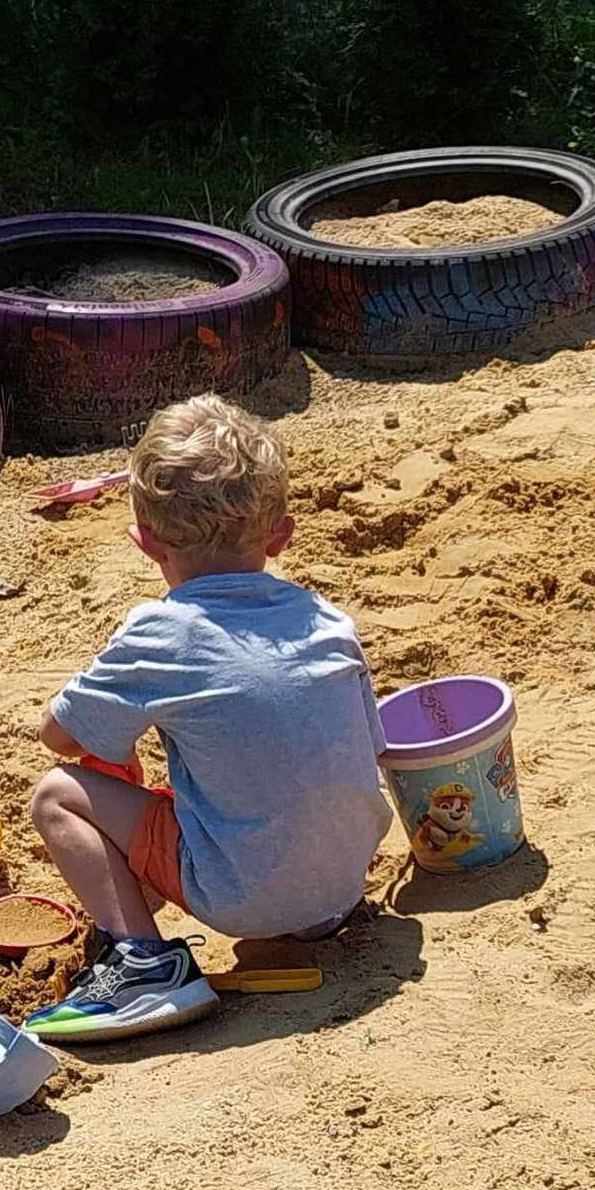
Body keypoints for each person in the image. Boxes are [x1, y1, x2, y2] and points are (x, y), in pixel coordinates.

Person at [25, 394, 392, 1041]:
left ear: (144, 543)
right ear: (280, 537)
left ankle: (142, 960)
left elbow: (58, 736)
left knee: (59, 796)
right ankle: (312, 914)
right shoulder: (330, 622)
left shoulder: (163, 633)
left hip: (243, 898)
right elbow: (371, 751)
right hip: (343, 877)